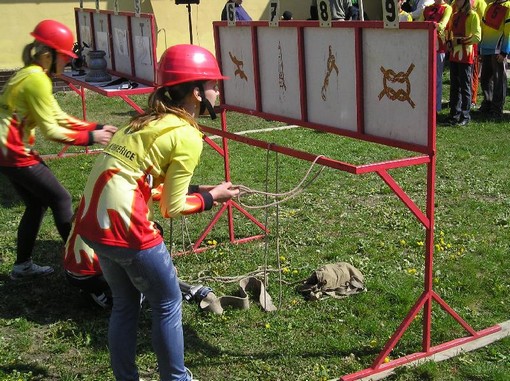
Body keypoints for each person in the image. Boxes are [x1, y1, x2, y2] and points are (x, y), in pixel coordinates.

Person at [72, 44, 239, 381]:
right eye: (213, 85)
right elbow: (171, 207)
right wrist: (212, 198)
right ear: (195, 92)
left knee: (124, 304)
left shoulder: (142, 122)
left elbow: (142, 180)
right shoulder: (187, 135)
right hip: (127, 229)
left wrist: (202, 190)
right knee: (167, 304)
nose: (218, 90)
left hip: (93, 223)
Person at [0, 19, 117, 280]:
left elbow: (59, 116)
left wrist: (96, 125)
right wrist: (92, 137)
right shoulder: (36, 80)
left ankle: (22, 266)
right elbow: (52, 131)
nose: (66, 63)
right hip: (14, 151)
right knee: (61, 199)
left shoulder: (32, 74)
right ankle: (79, 264)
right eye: (63, 57)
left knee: (36, 204)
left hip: (7, 151)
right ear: (47, 55)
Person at [446, 0, 481, 126]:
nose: (457, 1)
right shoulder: (455, 15)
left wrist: (459, 42)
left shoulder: (473, 15)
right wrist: (449, 42)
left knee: (465, 86)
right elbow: (449, 32)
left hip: (466, 56)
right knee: (455, 86)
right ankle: (454, 113)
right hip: (454, 55)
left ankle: (465, 115)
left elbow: (477, 37)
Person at [477, 0, 510, 118]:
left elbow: (509, 31)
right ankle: (488, 102)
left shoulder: (508, 6)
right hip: (486, 47)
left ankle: (497, 108)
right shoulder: (489, 6)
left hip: (498, 49)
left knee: (499, 79)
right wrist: (480, 48)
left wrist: (504, 51)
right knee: (485, 78)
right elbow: (482, 27)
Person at [419, 0, 452, 113]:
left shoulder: (447, 8)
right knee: (424, 77)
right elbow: (419, 24)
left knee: (437, 78)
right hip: (425, 46)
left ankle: (436, 108)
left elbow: (442, 25)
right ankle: (424, 106)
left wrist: (428, 25)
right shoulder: (427, 8)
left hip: (439, 47)